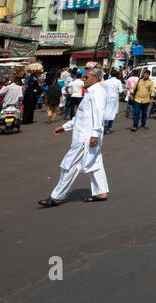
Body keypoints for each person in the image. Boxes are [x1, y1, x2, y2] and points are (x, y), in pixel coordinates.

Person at [40, 70, 109, 206]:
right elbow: (81, 116)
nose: (83, 79)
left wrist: (95, 134)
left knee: (69, 165)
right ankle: (101, 192)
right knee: (95, 163)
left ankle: (56, 196)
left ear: (95, 78)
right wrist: (65, 127)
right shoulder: (90, 92)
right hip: (84, 135)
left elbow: (99, 113)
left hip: (86, 137)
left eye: (86, 77)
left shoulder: (97, 92)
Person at [102, 69, 124, 133]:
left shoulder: (106, 82)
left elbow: (103, 89)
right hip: (114, 98)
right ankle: (109, 129)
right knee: (112, 113)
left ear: (110, 75)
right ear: (117, 75)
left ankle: (105, 123)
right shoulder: (118, 81)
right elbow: (120, 90)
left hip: (106, 98)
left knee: (105, 111)